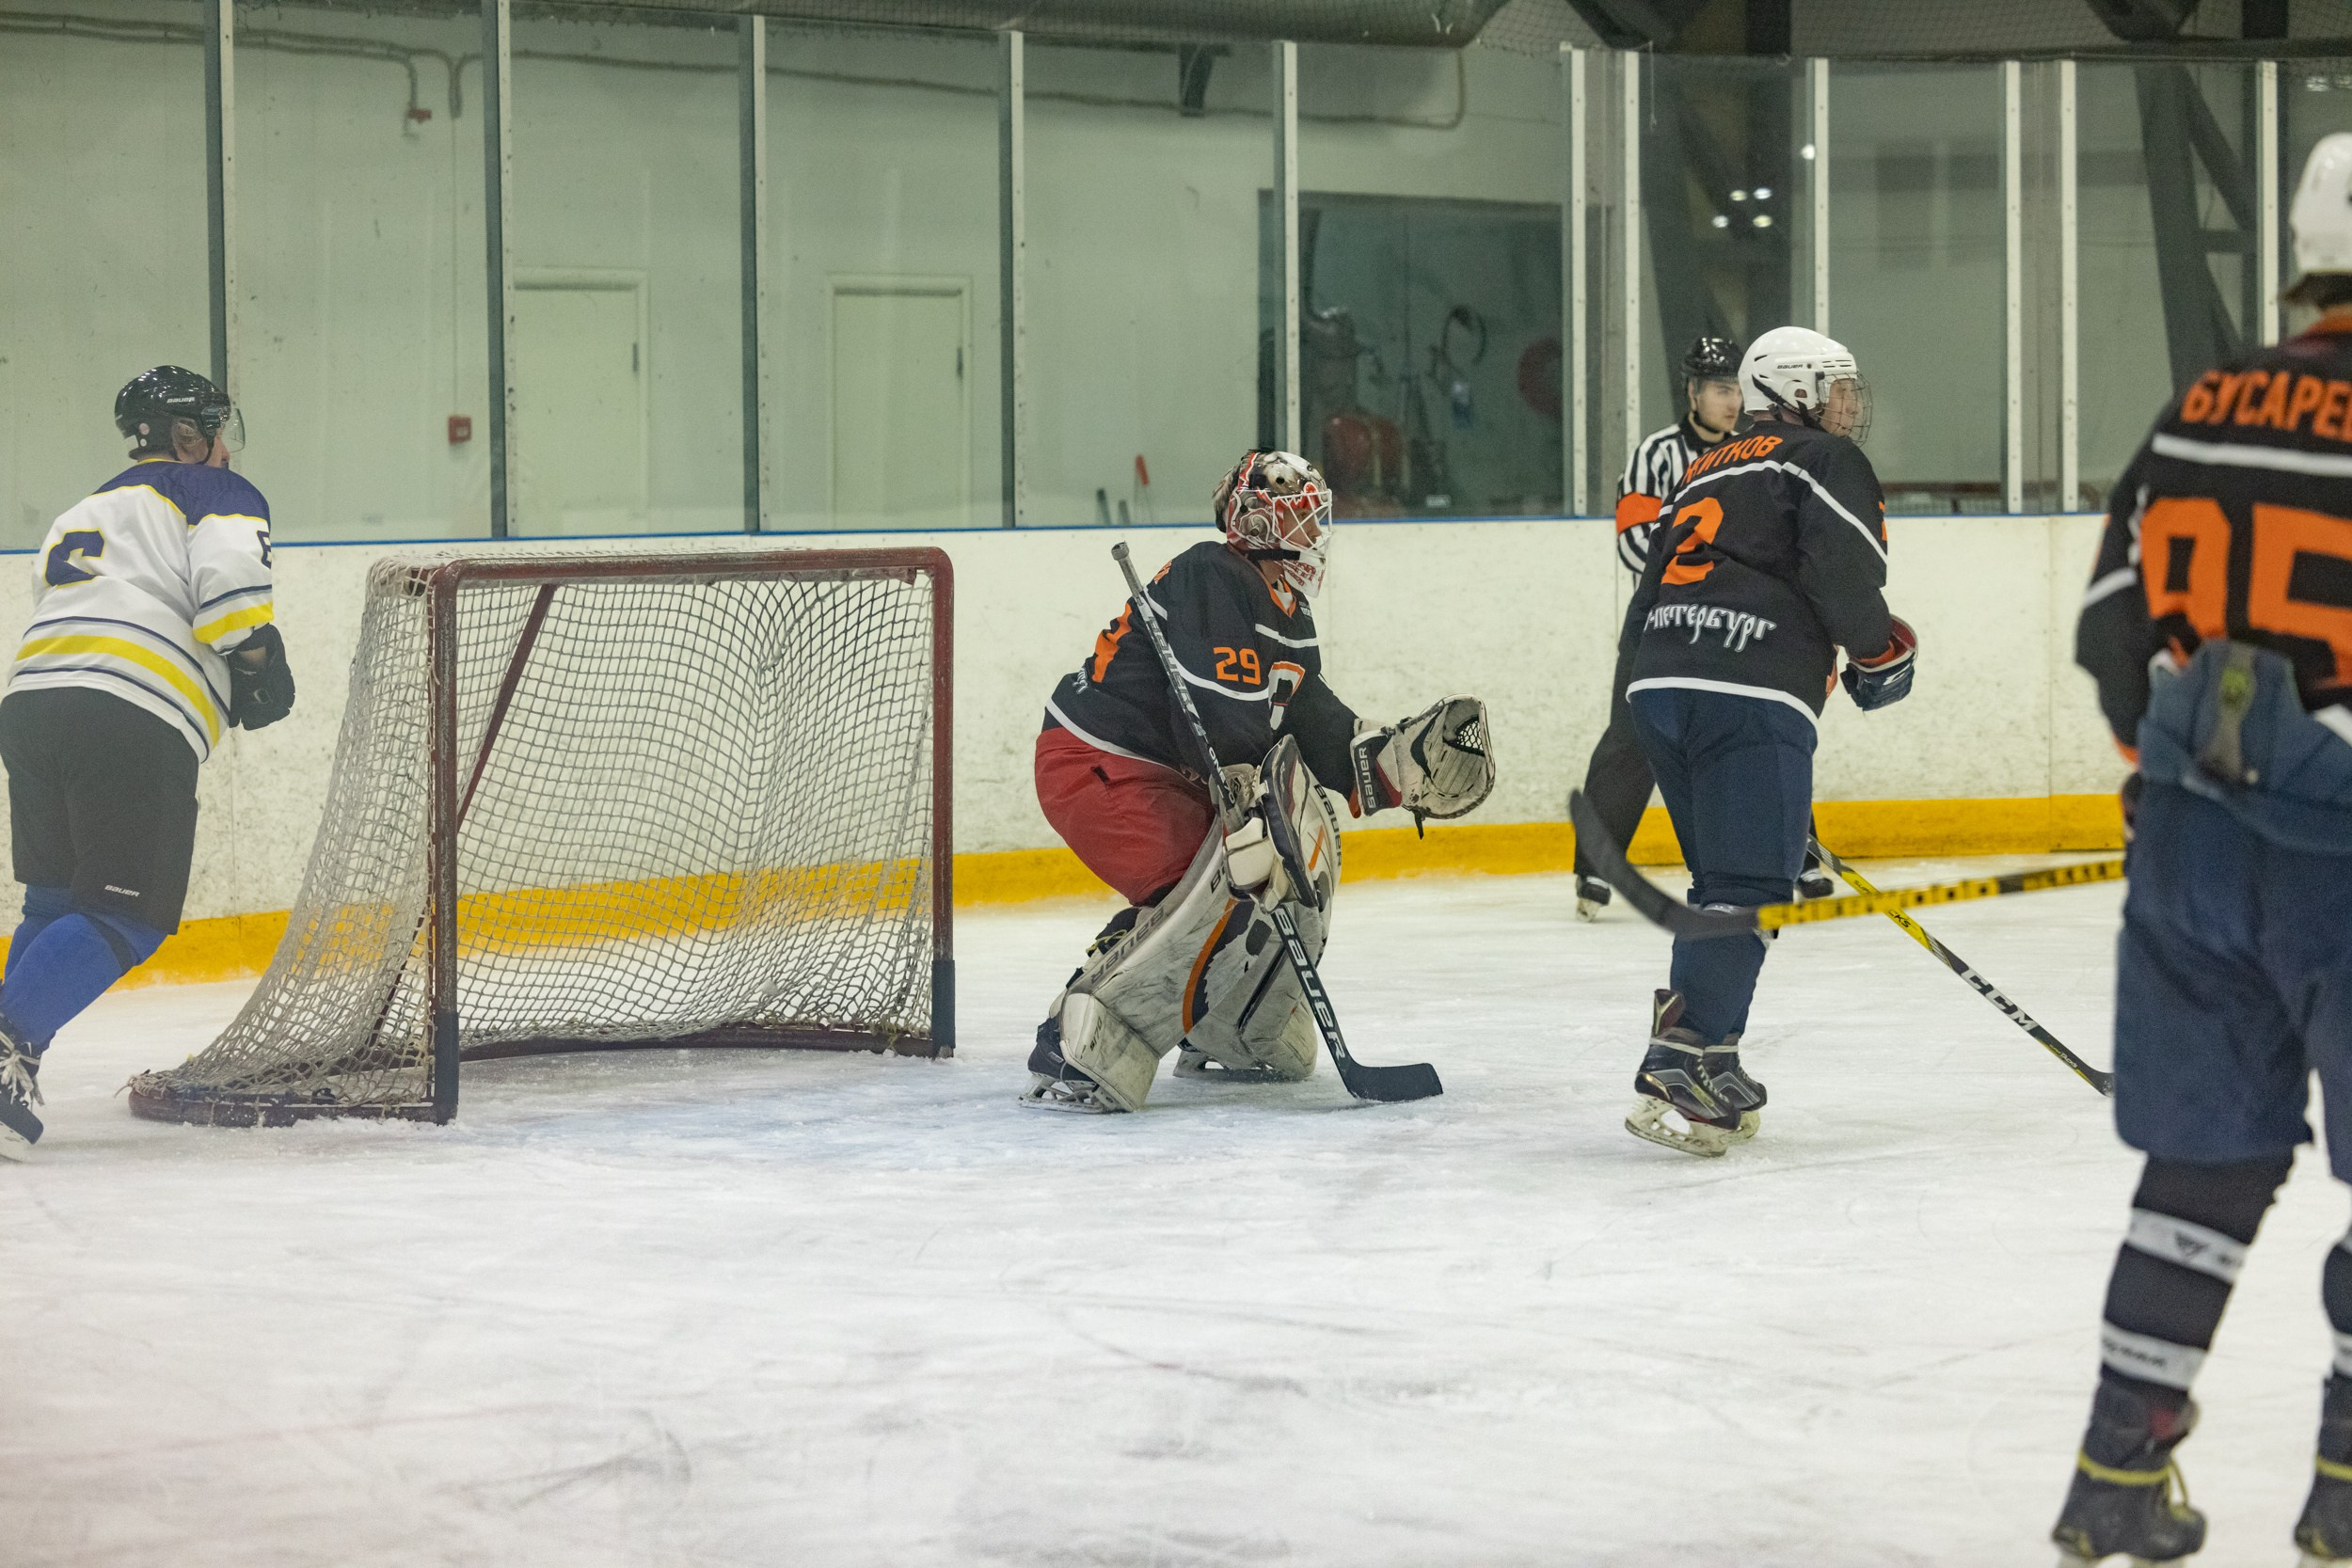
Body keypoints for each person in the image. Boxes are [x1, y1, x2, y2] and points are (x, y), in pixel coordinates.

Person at [2047, 133, 2352, 1568]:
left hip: (2187, 838)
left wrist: (2179, 782)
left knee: (2205, 1167)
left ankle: (2118, 1465)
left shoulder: (2200, 406)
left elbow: (2114, 630)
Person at [1022, 450, 1493, 1113]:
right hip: (1096, 757)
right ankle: (1076, 1030)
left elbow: (1306, 719)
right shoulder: (1213, 573)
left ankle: (1234, 1024)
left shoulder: (1287, 611)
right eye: (1305, 516)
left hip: (1154, 768)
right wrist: (1249, 800)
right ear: (1262, 520)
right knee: (1215, 883)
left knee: (1272, 865)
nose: (1316, 532)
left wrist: (1387, 766)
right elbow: (1217, 719)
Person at [1614, 325, 1916, 1157]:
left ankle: (1713, 1047)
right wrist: (1879, 650)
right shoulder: (1823, 460)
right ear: (1789, 390)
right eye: (1833, 387)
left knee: (1726, 881)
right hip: (1747, 685)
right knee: (1750, 880)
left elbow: (1645, 590)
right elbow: (1840, 569)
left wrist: (1645, 689)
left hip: (1658, 684)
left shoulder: (1705, 466)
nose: (1847, 406)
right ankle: (1680, 1051)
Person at [0, 367, 295, 1159]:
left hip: (31, 705)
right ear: (185, 438)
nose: (225, 448)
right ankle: (5, 1046)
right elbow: (232, 592)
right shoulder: (212, 491)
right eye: (214, 431)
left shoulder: (84, 508)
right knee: (127, 910)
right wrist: (261, 662)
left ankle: (11, 1056)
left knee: (56, 899)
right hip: (129, 713)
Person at [1575, 336, 1743, 918]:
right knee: (1632, 740)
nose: (1732, 400)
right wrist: (1716, 568)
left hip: (1731, 620)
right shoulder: (1655, 455)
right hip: (1659, 622)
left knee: (1753, 720)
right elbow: (1633, 545)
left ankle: (1789, 855)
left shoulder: (1753, 453)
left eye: (1738, 388)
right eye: (1721, 388)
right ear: (1693, 391)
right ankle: (1595, 868)